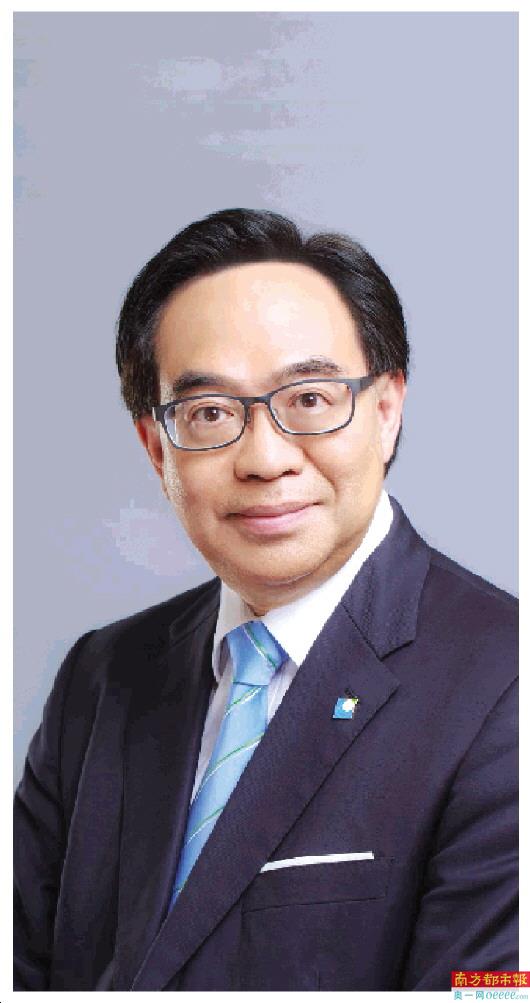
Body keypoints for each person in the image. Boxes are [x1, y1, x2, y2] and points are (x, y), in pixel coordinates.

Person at [14, 209, 518, 992]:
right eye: (210, 413)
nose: (265, 458)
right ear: (156, 446)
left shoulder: (504, 682)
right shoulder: (104, 673)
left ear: (386, 411)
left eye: (310, 398)